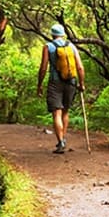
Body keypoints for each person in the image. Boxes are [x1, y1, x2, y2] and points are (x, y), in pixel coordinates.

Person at [37, 24, 86, 153]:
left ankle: (60, 142)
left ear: (52, 34)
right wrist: (81, 84)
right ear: (63, 34)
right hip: (71, 82)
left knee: (56, 113)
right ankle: (63, 139)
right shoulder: (71, 46)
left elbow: (43, 68)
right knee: (65, 111)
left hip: (55, 82)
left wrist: (40, 85)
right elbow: (80, 67)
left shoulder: (48, 47)